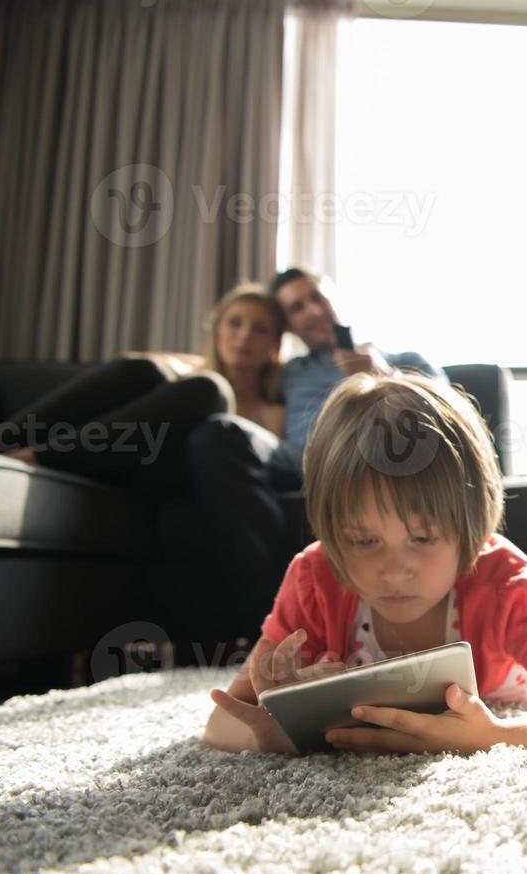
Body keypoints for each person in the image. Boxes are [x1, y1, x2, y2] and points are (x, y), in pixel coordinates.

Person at [201, 372, 527, 755]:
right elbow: (223, 723)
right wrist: (272, 734)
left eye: (422, 538)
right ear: (331, 533)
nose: (394, 569)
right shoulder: (316, 577)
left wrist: (498, 735)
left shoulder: (503, 581)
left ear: (472, 532)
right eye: (365, 540)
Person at [183, 268, 445, 638]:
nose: (311, 311)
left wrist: (385, 378)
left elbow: (448, 419)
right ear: (288, 326)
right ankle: (265, 619)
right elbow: (220, 359)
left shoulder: (407, 359)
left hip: (375, 459)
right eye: (296, 308)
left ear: (335, 298)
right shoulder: (288, 372)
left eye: (316, 298)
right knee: (219, 434)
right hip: (304, 461)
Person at [0, 284, 286, 498]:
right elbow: (135, 364)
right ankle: (6, 442)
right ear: (217, 331)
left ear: (274, 344)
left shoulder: (273, 410)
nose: (244, 336)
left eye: (259, 329)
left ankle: (38, 456)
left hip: (162, 474)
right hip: (111, 456)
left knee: (210, 389)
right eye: (234, 323)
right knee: (146, 370)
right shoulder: (187, 373)